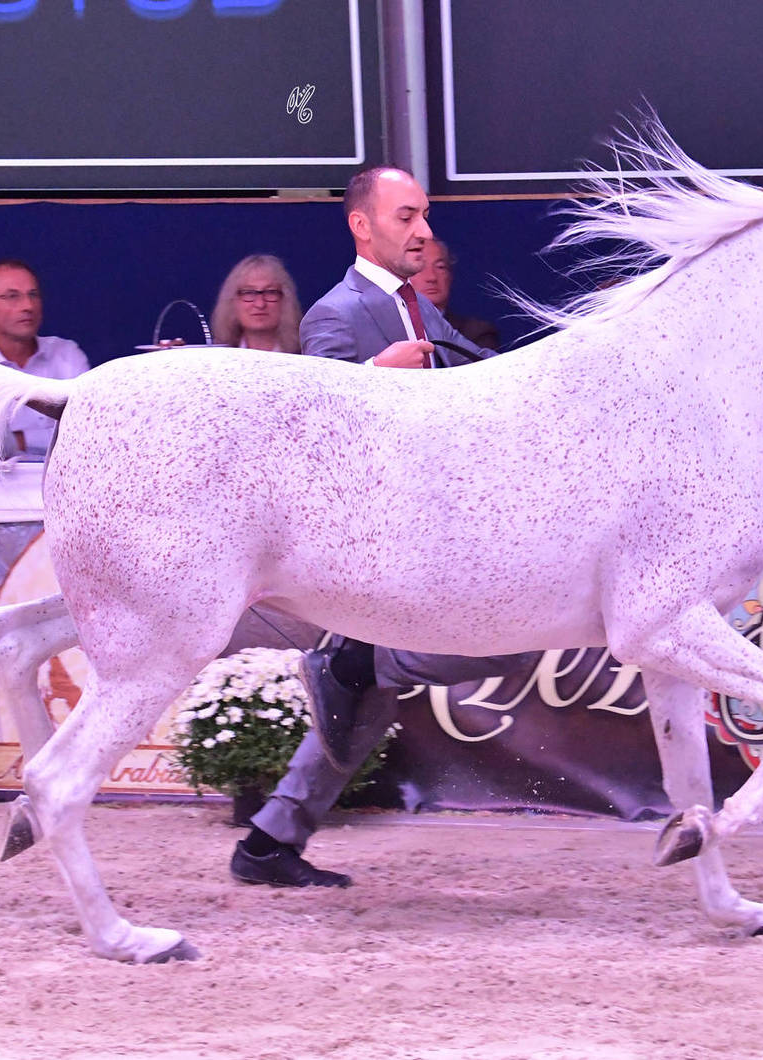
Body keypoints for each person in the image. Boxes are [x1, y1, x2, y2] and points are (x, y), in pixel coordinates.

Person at [230, 165, 539, 889]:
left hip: (427, 529)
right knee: (511, 645)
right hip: (377, 540)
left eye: (425, 215)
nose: (424, 231)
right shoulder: (334, 314)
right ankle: (361, 661)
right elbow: (322, 430)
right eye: (406, 216)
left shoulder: (417, 309)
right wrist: (376, 372)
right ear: (361, 225)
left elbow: (477, 374)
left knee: (361, 709)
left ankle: (270, 842)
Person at [0, 259, 90, 455]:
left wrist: (18, 440)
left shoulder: (67, 356)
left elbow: (85, 431)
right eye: (12, 296)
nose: (28, 305)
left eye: (33, 295)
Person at [412, 237, 501, 350]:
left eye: (440, 267)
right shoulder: (391, 329)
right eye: (420, 267)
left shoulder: (476, 333)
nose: (432, 277)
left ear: (450, 276)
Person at [209, 254, 302, 352]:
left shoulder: (307, 358)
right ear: (232, 301)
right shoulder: (217, 360)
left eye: (270, 292)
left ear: (285, 300)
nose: (260, 304)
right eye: (248, 292)